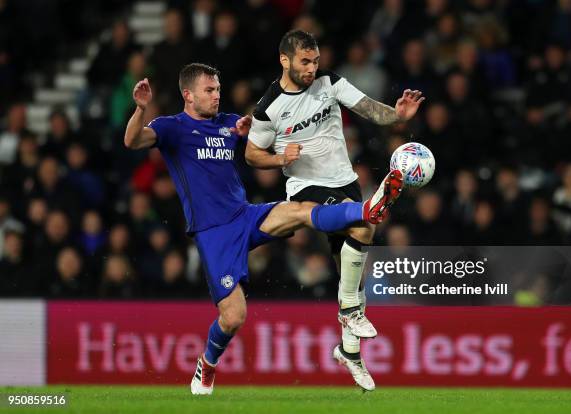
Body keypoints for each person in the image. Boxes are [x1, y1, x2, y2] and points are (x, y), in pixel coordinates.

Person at [123, 63, 404, 395]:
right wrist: (141, 109)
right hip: (214, 232)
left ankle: (366, 209)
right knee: (234, 317)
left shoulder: (228, 123)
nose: (217, 95)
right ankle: (207, 364)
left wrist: (258, 140)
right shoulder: (172, 127)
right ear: (188, 95)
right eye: (209, 91)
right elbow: (133, 140)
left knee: (300, 212)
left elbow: (256, 146)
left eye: (218, 89)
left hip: (245, 215)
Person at [245, 29, 424, 391]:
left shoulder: (329, 82)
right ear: (285, 60)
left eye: (315, 61)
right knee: (364, 222)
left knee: (352, 273)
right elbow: (251, 154)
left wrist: (399, 115)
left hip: (344, 180)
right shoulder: (269, 107)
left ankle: (349, 351)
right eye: (305, 62)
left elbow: (369, 109)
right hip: (307, 188)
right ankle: (348, 312)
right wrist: (281, 157)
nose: (312, 68)